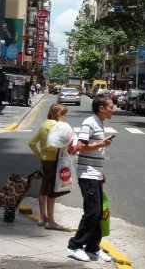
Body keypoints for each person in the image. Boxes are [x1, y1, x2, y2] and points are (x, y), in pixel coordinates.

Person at [67, 96, 114, 262]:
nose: (113, 109)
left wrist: (101, 173)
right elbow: (80, 146)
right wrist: (101, 144)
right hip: (87, 174)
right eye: (111, 106)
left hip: (95, 173)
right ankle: (75, 245)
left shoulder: (99, 123)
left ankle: (93, 247)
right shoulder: (89, 122)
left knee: (98, 212)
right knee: (92, 212)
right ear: (101, 108)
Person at [28, 103, 77, 230]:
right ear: (57, 114)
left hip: (45, 160)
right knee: (53, 191)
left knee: (43, 188)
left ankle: (42, 218)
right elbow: (62, 144)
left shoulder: (44, 125)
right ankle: (51, 220)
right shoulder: (58, 126)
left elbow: (31, 143)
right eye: (64, 114)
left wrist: (40, 155)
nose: (65, 117)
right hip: (56, 160)